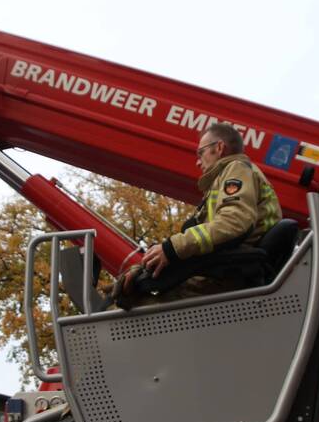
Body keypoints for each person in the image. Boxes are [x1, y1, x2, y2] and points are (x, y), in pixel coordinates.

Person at [117, 122, 282, 305]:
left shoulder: (236, 169)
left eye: (200, 153)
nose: (197, 161)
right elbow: (206, 236)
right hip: (226, 270)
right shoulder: (229, 177)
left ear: (219, 148)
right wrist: (146, 265)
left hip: (229, 276)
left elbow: (234, 223)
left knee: (140, 311)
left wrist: (172, 248)